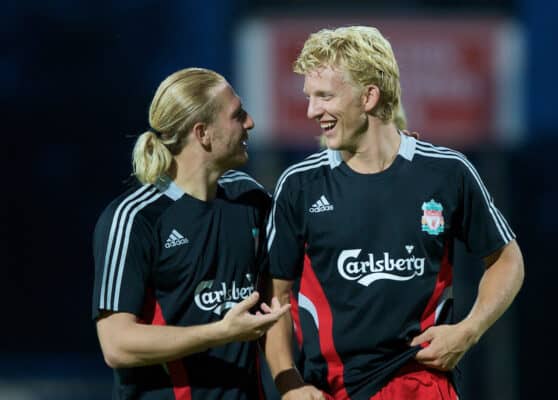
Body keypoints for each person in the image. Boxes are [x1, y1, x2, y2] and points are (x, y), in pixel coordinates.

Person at [263, 26, 525, 400]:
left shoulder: (447, 172)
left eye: (324, 96)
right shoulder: (299, 185)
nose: (312, 111)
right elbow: (277, 298)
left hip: (421, 382)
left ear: (369, 96)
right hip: (331, 391)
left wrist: (469, 330)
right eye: (309, 97)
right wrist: (288, 384)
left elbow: (507, 258)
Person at [92, 67, 290, 399]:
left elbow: (280, 297)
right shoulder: (134, 218)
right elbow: (116, 344)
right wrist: (220, 332)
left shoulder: (251, 199)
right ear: (202, 133)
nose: (250, 123)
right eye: (237, 115)